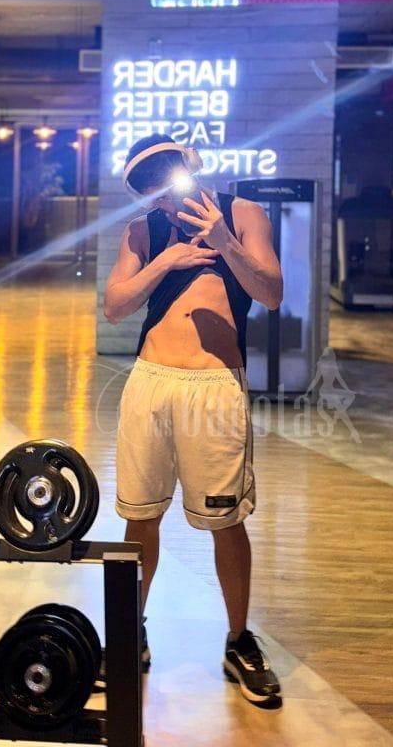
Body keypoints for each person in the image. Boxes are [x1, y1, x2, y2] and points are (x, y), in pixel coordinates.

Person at [103, 134, 283, 703]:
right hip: (151, 381)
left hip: (214, 385)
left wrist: (224, 241)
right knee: (140, 516)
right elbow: (115, 306)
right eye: (149, 188)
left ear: (189, 165)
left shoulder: (244, 214)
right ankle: (131, 633)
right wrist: (167, 260)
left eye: (167, 177)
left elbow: (272, 293)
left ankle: (239, 639)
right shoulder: (143, 232)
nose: (163, 194)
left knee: (226, 519)